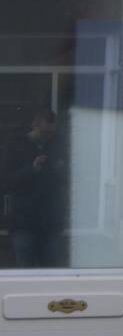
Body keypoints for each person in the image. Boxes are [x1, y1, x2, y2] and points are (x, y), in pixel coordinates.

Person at [1, 109, 66, 268]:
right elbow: (6, 182)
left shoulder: (57, 144)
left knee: (51, 271)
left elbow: (68, 180)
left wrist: (61, 170)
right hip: (24, 221)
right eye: (44, 132)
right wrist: (32, 170)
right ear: (34, 125)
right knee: (26, 272)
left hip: (50, 223)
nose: (48, 136)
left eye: (51, 133)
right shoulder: (15, 146)